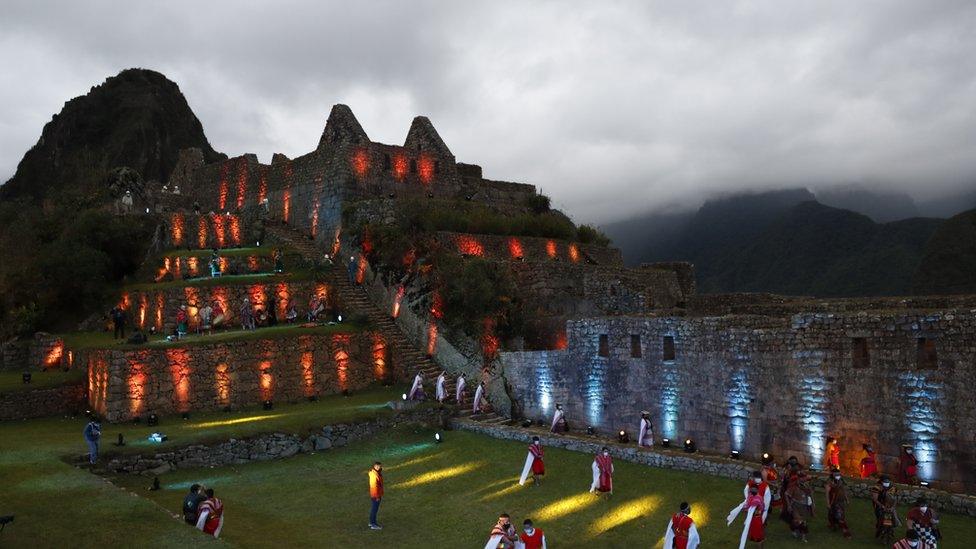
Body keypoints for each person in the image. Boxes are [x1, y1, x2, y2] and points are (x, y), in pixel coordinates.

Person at [784, 471, 813, 542]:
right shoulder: (794, 486)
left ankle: (803, 536)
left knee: (803, 521)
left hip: (804, 506)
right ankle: (796, 531)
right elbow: (786, 494)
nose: (803, 479)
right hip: (796, 505)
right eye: (802, 477)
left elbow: (810, 494)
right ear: (799, 478)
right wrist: (789, 505)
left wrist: (812, 503)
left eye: (804, 477)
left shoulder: (806, 485)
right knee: (800, 521)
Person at [871, 475, 900, 540]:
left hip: (890, 506)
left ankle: (891, 531)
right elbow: (875, 499)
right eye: (885, 481)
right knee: (880, 519)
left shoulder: (893, 488)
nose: (887, 482)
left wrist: (893, 507)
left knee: (893, 519)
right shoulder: (877, 487)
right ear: (881, 481)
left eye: (888, 481)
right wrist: (882, 506)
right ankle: (879, 531)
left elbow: (896, 498)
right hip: (879, 506)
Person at [825, 468, 852, 538]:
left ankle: (836, 525)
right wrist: (828, 503)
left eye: (838, 474)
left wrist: (847, 499)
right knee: (836, 514)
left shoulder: (841, 480)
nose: (838, 475)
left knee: (840, 514)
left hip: (841, 501)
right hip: (833, 501)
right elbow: (827, 493)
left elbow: (843, 490)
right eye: (836, 474)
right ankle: (845, 531)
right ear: (832, 474)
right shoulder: (829, 481)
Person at [368, 461, 383, 530]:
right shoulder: (374, 475)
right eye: (377, 466)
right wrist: (377, 496)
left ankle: (372, 522)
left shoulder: (376, 473)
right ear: (374, 466)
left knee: (374, 509)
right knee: (374, 509)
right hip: (375, 495)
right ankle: (373, 524)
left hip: (375, 494)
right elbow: (374, 486)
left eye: (379, 466)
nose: (378, 467)